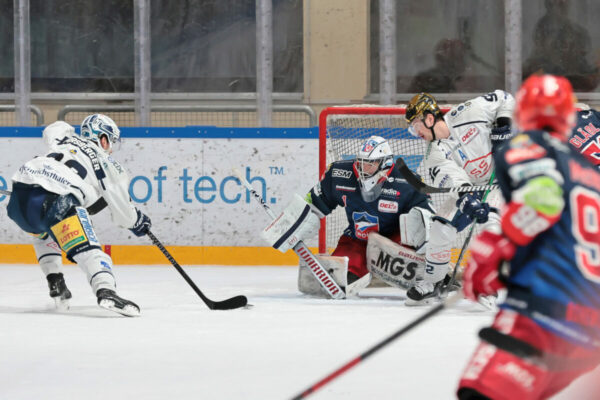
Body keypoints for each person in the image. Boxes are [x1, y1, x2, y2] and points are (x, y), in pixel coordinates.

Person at [457, 74, 600, 399]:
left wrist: (499, 248)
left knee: (480, 393)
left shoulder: (529, 145)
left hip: (542, 318)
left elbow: (543, 200)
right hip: (588, 334)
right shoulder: (590, 173)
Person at [6, 115, 151, 317]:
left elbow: (53, 128)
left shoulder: (62, 139)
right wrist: (138, 222)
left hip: (19, 200)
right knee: (90, 251)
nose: (111, 148)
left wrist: (70, 132)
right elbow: (124, 214)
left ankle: (55, 280)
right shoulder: (109, 165)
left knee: (44, 234)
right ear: (103, 139)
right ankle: (106, 291)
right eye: (111, 141)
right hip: (56, 201)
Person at [261, 135, 436, 295]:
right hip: (357, 240)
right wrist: (291, 224)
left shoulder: (407, 180)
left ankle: (431, 273)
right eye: (361, 162)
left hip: (394, 241)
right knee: (339, 279)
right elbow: (313, 203)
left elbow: (426, 216)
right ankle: (362, 270)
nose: (363, 168)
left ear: (385, 164)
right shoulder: (340, 174)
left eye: (370, 164)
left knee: (416, 268)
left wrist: (428, 250)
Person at [403, 90, 515, 304]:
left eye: (415, 124)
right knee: (440, 226)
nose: (415, 132)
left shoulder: (469, 112)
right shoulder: (433, 154)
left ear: (428, 118)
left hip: (500, 181)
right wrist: (467, 198)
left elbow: (505, 97)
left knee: (490, 223)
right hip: (471, 187)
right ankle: (434, 282)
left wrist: (504, 126)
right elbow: (453, 179)